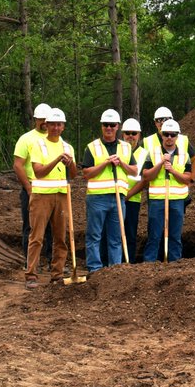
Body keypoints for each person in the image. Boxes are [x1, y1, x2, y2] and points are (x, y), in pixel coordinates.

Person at [24, 108, 78, 288]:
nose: (55, 127)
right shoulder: (38, 145)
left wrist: (70, 163)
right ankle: (31, 274)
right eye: (52, 124)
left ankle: (57, 274)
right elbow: (38, 172)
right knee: (37, 236)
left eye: (59, 124)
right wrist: (56, 160)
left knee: (60, 237)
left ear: (63, 127)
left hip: (61, 195)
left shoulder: (68, 147)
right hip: (41, 196)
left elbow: (74, 174)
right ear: (46, 125)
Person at [80, 108, 136, 271]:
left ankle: (115, 269)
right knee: (94, 235)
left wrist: (122, 164)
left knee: (116, 237)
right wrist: (105, 163)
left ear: (117, 126)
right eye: (106, 125)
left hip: (118, 198)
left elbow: (134, 170)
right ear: (102, 126)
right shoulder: (92, 147)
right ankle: (94, 268)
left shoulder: (126, 148)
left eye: (112, 125)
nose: (109, 128)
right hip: (97, 198)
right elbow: (86, 173)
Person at [141, 119, 194, 263]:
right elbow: (146, 176)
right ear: (162, 135)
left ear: (177, 136)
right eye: (166, 134)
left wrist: (172, 170)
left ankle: (175, 265)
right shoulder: (152, 153)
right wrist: (160, 164)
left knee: (175, 236)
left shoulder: (184, 155)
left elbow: (187, 179)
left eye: (173, 134)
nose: (169, 137)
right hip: (157, 200)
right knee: (154, 235)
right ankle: (148, 266)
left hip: (177, 201)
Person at [13, 102, 52, 267]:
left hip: (52, 189)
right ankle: (30, 263)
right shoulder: (26, 139)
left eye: (46, 119)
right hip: (32, 188)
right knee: (30, 226)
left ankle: (52, 260)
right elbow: (18, 165)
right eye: (41, 119)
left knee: (52, 227)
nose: (44, 122)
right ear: (35, 119)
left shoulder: (55, 139)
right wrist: (28, 188)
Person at [120, 118, 145, 263]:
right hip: (114, 198)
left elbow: (144, 180)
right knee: (113, 233)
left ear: (139, 135)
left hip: (132, 200)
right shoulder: (118, 150)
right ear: (122, 134)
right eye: (127, 133)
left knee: (130, 233)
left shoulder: (143, 153)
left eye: (133, 133)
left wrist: (128, 195)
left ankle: (128, 262)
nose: (130, 136)